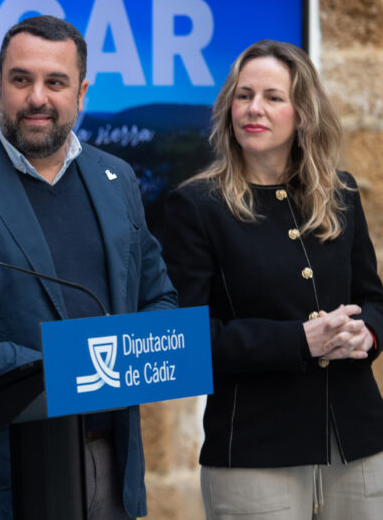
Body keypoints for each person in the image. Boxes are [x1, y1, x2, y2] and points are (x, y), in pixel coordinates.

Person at [0, 15, 177, 519]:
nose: (38, 97)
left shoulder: (115, 177)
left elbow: (158, 296)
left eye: (55, 82)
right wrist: (52, 371)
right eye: (21, 80)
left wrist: (141, 351)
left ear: (80, 92)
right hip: (2, 467)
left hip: (108, 458)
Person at [161, 40, 383, 519]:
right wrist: (300, 341)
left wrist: (366, 332)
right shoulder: (197, 206)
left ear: (302, 113)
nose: (253, 109)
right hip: (254, 450)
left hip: (359, 443)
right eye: (243, 96)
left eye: (272, 97)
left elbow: (373, 299)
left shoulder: (340, 193)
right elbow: (185, 339)